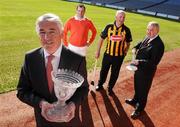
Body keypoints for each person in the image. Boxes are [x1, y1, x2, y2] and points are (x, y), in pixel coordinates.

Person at [16, 13, 89, 127]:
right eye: (42, 32)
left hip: (68, 121)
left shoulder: (77, 60)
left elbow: (83, 89)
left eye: (52, 31)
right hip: (43, 120)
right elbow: (22, 91)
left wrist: (72, 105)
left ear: (61, 33)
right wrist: (41, 103)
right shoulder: (30, 58)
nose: (47, 37)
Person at [125, 21, 164, 119]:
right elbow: (141, 44)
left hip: (147, 72)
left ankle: (139, 109)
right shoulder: (148, 37)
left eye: (151, 30)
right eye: (148, 29)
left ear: (157, 31)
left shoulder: (159, 44)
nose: (149, 32)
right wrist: (135, 47)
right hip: (138, 68)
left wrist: (139, 62)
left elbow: (153, 62)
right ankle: (135, 100)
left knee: (143, 91)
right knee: (137, 85)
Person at [95, 10, 132, 95]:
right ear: (116, 17)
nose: (122, 19)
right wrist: (97, 51)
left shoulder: (126, 30)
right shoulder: (109, 27)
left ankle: (110, 87)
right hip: (108, 54)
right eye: (120, 17)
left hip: (119, 56)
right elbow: (101, 39)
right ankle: (100, 84)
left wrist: (125, 51)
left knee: (115, 73)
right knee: (104, 71)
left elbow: (128, 42)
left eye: (123, 17)